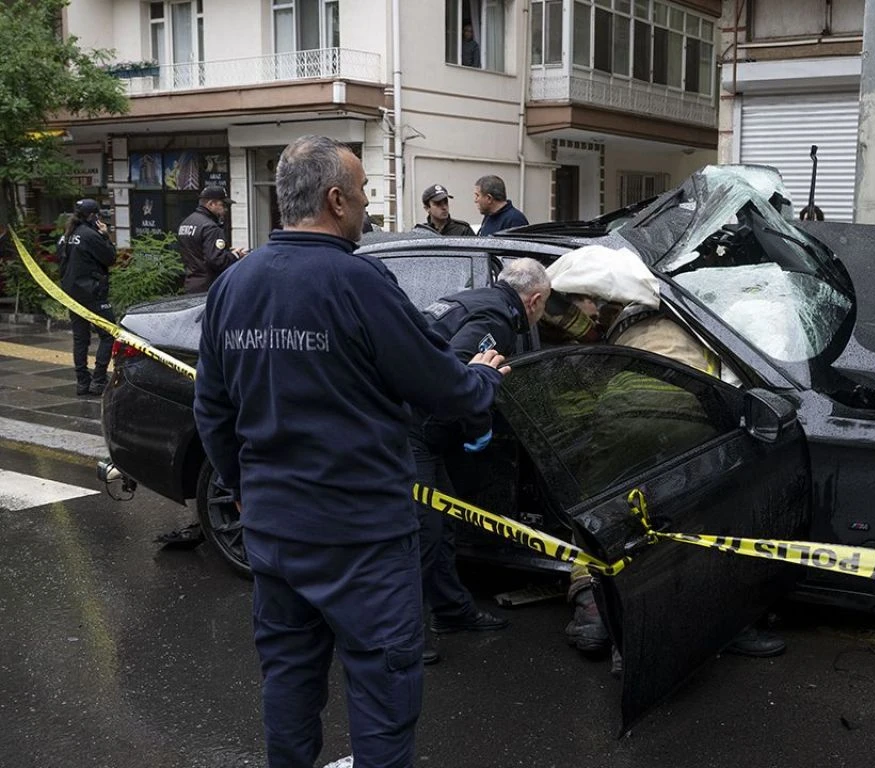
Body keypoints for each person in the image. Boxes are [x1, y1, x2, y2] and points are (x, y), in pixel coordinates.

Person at [193, 135, 509, 768]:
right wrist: (484, 379)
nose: (368, 204)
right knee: (384, 688)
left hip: (276, 535)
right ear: (336, 200)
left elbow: (212, 410)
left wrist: (247, 488)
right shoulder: (360, 282)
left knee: (288, 678)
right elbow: (441, 387)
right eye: (363, 192)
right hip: (363, 538)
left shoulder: (234, 285)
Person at [542, 246, 786, 675]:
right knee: (692, 522)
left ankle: (592, 612)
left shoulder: (619, 319)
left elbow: (567, 321)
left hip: (619, 414)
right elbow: (732, 386)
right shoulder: (706, 320)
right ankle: (703, 626)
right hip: (685, 418)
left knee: (603, 516)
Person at [412, 258, 550, 658]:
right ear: (534, 300)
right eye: (545, 305)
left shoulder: (478, 298)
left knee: (442, 522)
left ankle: (450, 611)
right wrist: (478, 426)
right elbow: (455, 377)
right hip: (410, 430)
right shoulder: (496, 321)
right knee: (422, 535)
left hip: (420, 428)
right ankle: (404, 639)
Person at [58, 199, 117, 397]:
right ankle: (98, 380)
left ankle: (82, 382)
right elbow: (110, 258)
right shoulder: (91, 235)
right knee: (109, 334)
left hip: (72, 294)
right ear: (93, 216)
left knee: (80, 338)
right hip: (93, 293)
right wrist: (106, 236)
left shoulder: (66, 236)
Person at [178, 186, 243, 293]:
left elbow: (197, 252)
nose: (226, 210)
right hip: (209, 286)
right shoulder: (210, 227)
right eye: (223, 205)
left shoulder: (186, 223)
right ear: (211, 204)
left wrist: (226, 252)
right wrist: (235, 255)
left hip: (191, 283)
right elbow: (216, 260)